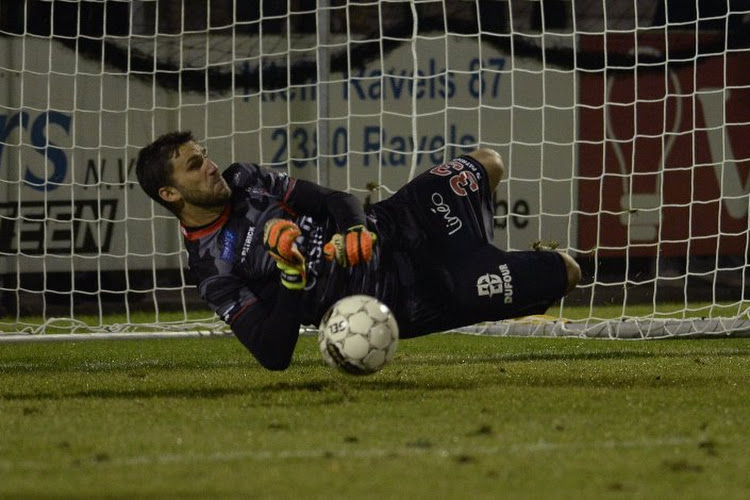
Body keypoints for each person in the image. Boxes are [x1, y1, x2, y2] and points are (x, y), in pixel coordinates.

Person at [136, 131, 581, 370]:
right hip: (411, 296)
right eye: (195, 166)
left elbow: (334, 199)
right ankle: (492, 273)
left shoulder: (245, 179)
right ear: (170, 194)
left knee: (488, 162)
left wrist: (354, 230)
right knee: (566, 270)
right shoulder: (216, 272)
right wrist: (291, 276)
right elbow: (273, 355)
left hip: (399, 222)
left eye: (204, 155)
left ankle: (480, 251)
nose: (211, 166)